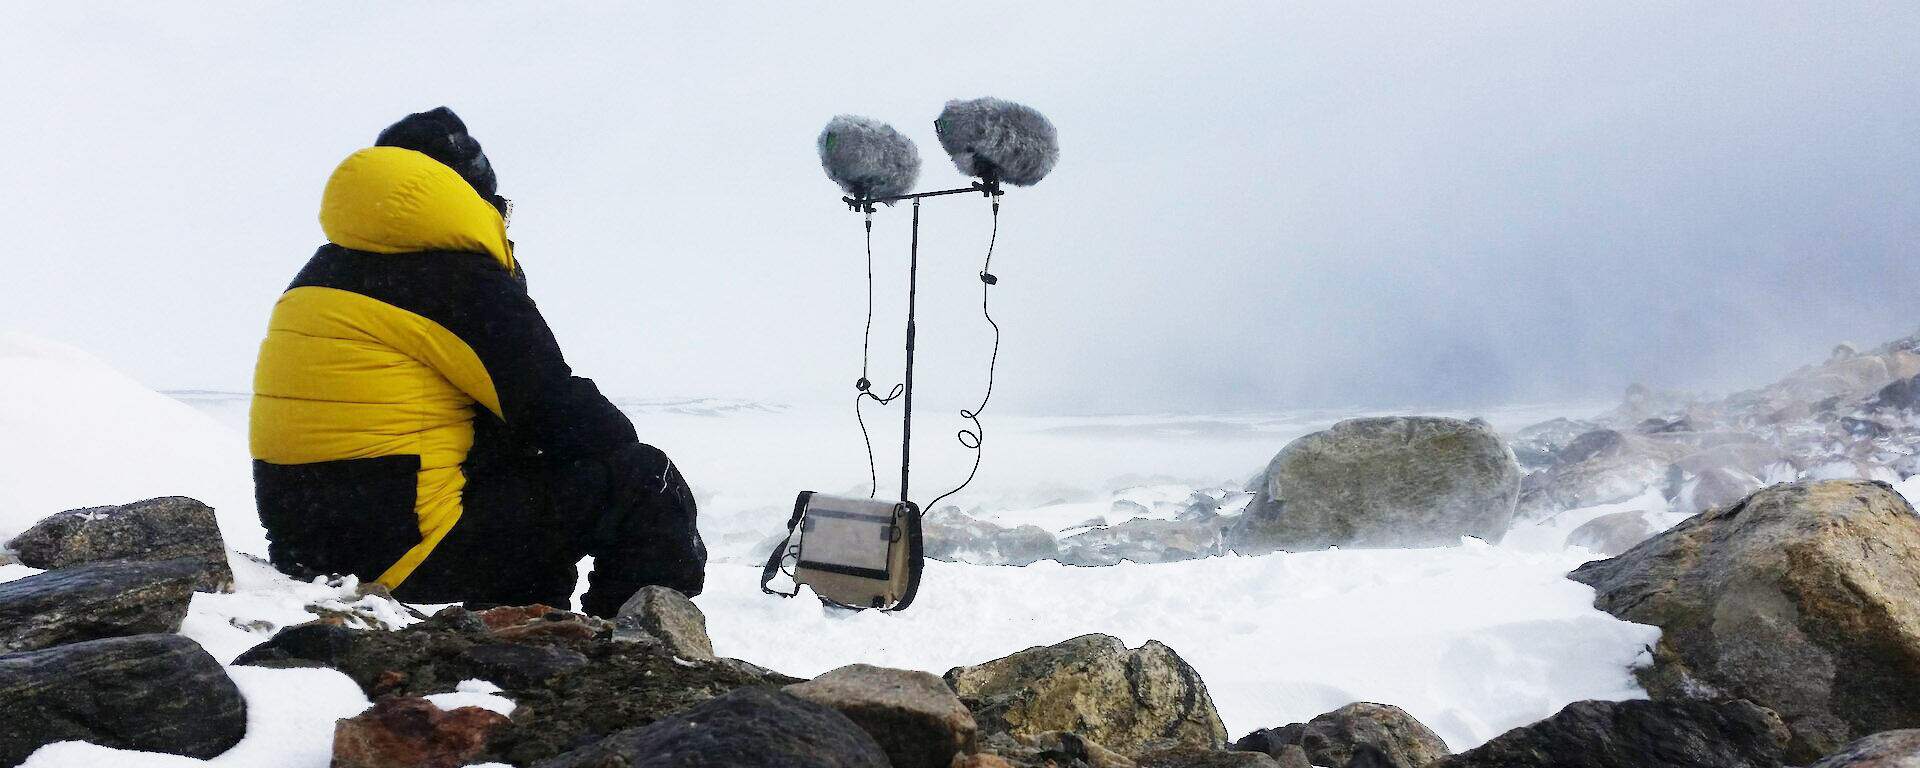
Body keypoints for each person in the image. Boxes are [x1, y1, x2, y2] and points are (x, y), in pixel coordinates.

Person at [250, 107, 704, 617]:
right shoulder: (452, 280)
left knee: (527, 486)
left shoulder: (325, 272)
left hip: (311, 544)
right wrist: (617, 449)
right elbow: (555, 410)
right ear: (469, 195)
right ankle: (631, 659)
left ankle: (521, 644)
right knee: (646, 481)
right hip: (398, 551)